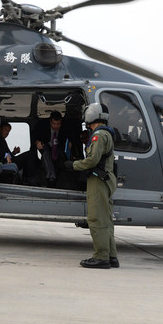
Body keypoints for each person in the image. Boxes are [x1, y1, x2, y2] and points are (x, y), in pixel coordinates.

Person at [64, 103, 119, 269]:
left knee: (96, 219)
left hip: (98, 181)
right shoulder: (106, 133)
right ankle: (111, 256)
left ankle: (101, 257)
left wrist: (73, 165)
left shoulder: (99, 136)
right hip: (107, 180)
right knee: (106, 220)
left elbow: (92, 160)